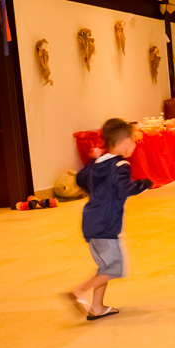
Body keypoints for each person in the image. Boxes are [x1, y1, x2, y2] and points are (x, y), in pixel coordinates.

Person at [66, 118, 152, 321]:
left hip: (91, 223)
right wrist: (145, 184)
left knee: (105, 266)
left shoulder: (98, 163)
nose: (134, 145)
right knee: (114, 267)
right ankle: (80, 290)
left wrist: (91, 162)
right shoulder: (121, 165)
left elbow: (80, 179)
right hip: (105, 226)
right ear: (125, 142)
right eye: (134, 141)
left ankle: (97, 307)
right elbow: (123, 188)